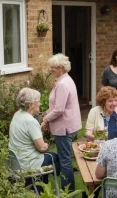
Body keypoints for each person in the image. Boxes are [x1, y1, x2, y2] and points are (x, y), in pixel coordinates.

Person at [41, 53, 82, 191]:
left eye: (53, 67)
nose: (50, 69)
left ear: (60, 68)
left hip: (64, 127)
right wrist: (47, 115)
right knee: (66, 159)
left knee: (65, 161)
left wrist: (46, 118)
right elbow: (56, 107)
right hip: (67, 125)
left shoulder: (63, 84)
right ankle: (67, 188)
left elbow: (59, 109)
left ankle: (67, 191)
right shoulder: (64, 80)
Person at [9, 87, 60, 188]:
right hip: (28, 164)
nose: (40, 104)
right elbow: (42, 148)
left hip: (17, 162)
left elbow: (26, 135)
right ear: (31, 105)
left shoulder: (17, 115)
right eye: (38, 102)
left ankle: (38, 184)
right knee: (55, 157)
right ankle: (42, 187)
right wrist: (47, 145)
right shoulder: (31, 121)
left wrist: (38, 129)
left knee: (49, 157)